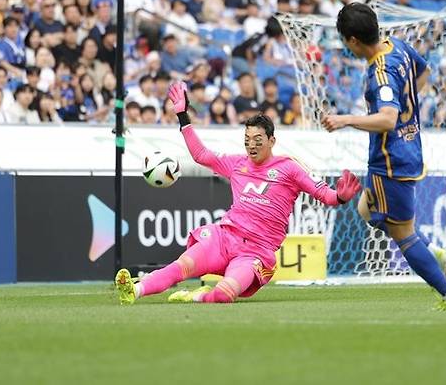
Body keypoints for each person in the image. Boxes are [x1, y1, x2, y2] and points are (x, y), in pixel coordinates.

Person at [114, 81, 362, 304]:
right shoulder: (237, 163)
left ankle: (198, 296)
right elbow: (202, 156)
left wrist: (340, 196)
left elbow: (325, 195)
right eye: (247, 139)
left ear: (272, 141)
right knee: (182, 265)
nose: (251, 145)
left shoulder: (290, 168)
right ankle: (134, 291)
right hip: (224, 237)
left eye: (257, 139)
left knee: (223, 294)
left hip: (256, 251)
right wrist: (182, 115)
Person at [322, 3, 446, 311]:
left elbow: (388, 119)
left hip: (390, 160)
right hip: (405, 151)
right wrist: (408, 112)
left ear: (352, 41)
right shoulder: (397, 46)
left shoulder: (381, 72)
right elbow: (424, 72)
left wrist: (345, 119)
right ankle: (433, 252)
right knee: (366, 210)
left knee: (404, 237)